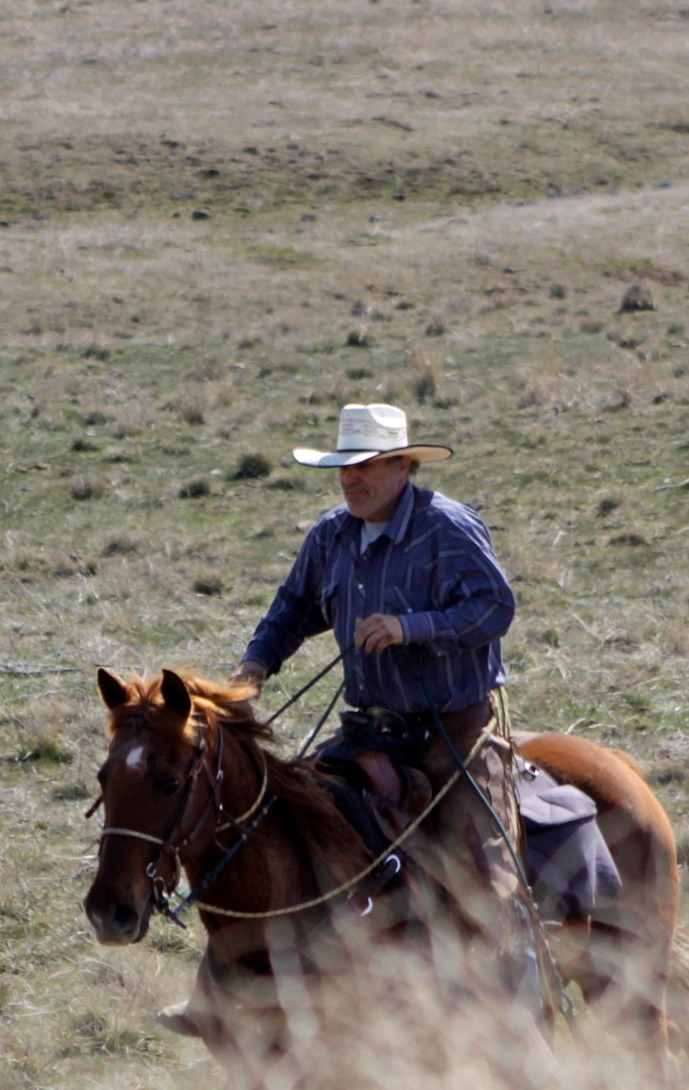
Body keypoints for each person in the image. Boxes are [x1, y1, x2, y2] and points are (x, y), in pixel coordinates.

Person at [236, 403, 528, 983]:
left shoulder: (448, 527)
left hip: (454, 734)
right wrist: (255, 666)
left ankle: (519, 1009)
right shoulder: (331, 535)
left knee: (488, 886)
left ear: (402, 466)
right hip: (369, 732)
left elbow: (495, 608)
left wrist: (409, 627)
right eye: (344, 467)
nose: (351, 479)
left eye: (365, 466)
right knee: (283, 832)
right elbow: (295, 606)